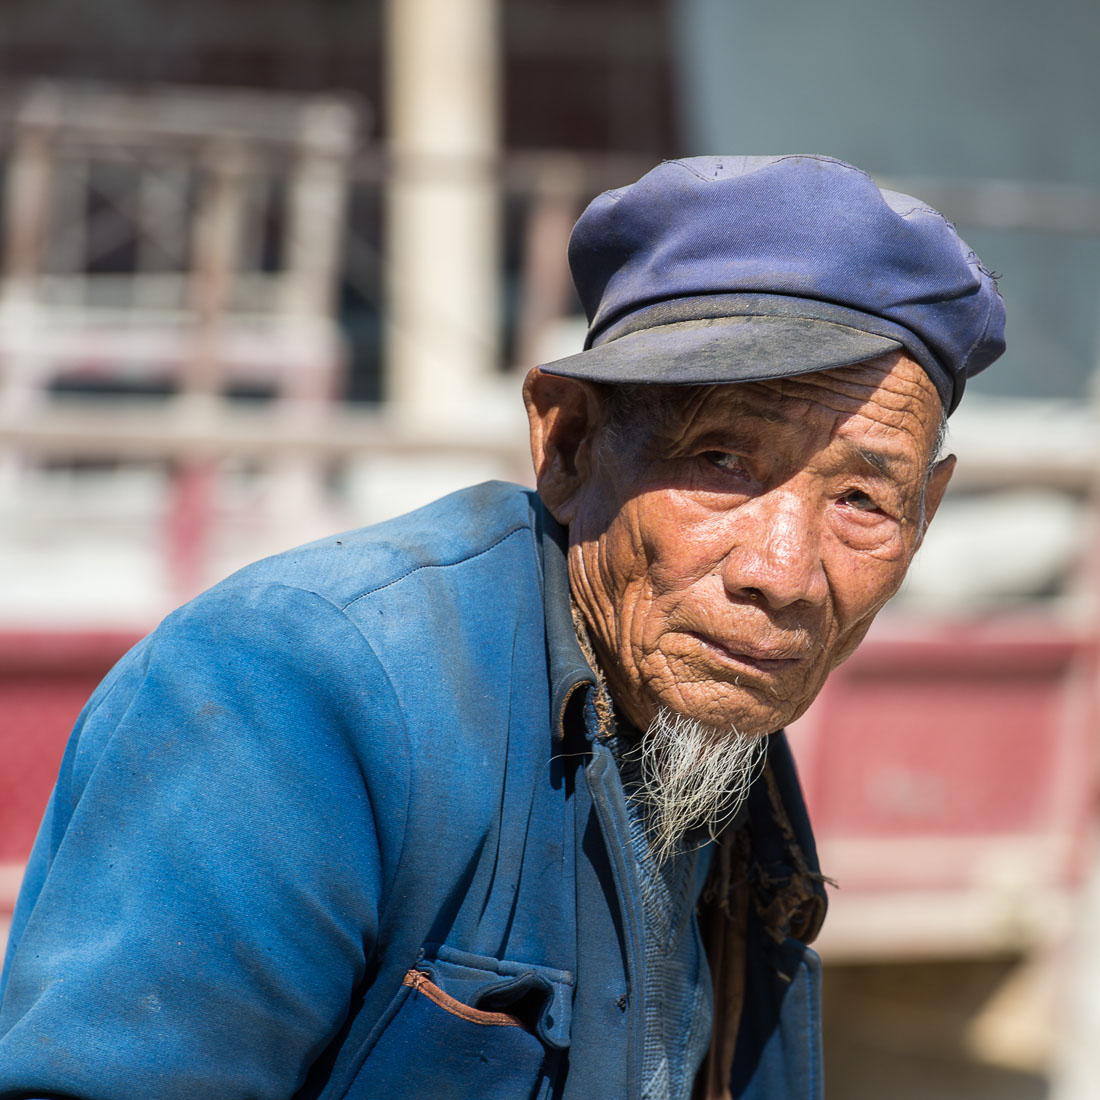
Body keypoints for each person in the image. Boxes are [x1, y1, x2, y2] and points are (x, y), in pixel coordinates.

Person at [0, 155, 1004, 1100]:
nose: (781, 572)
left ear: (926, 513)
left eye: (863, 502)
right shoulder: (304, 688)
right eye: (719, 460)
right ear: (565, 442)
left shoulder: (709, 728)